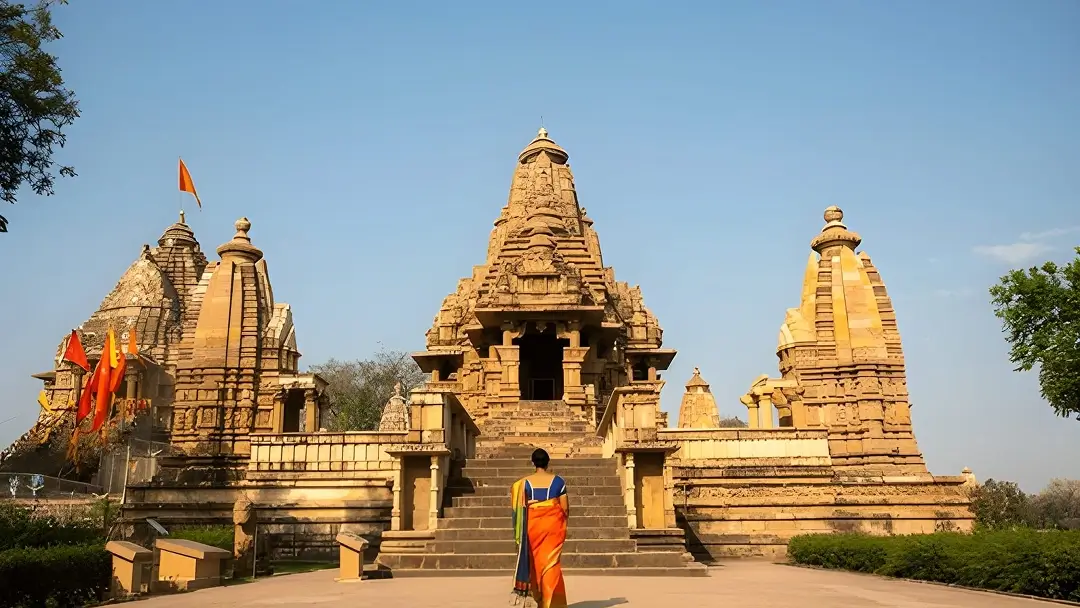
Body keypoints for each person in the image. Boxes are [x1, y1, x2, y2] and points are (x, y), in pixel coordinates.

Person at [510, 448, 569, 608]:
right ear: (548, 462)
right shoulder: (558, 482)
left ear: (533, 463)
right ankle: (553, 603)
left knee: (534, 563)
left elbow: (519, 510)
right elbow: (565, 508)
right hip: (553, 528)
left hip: (532, 527)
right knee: (552, 564)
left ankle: (537, 600)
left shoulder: (523, 484)